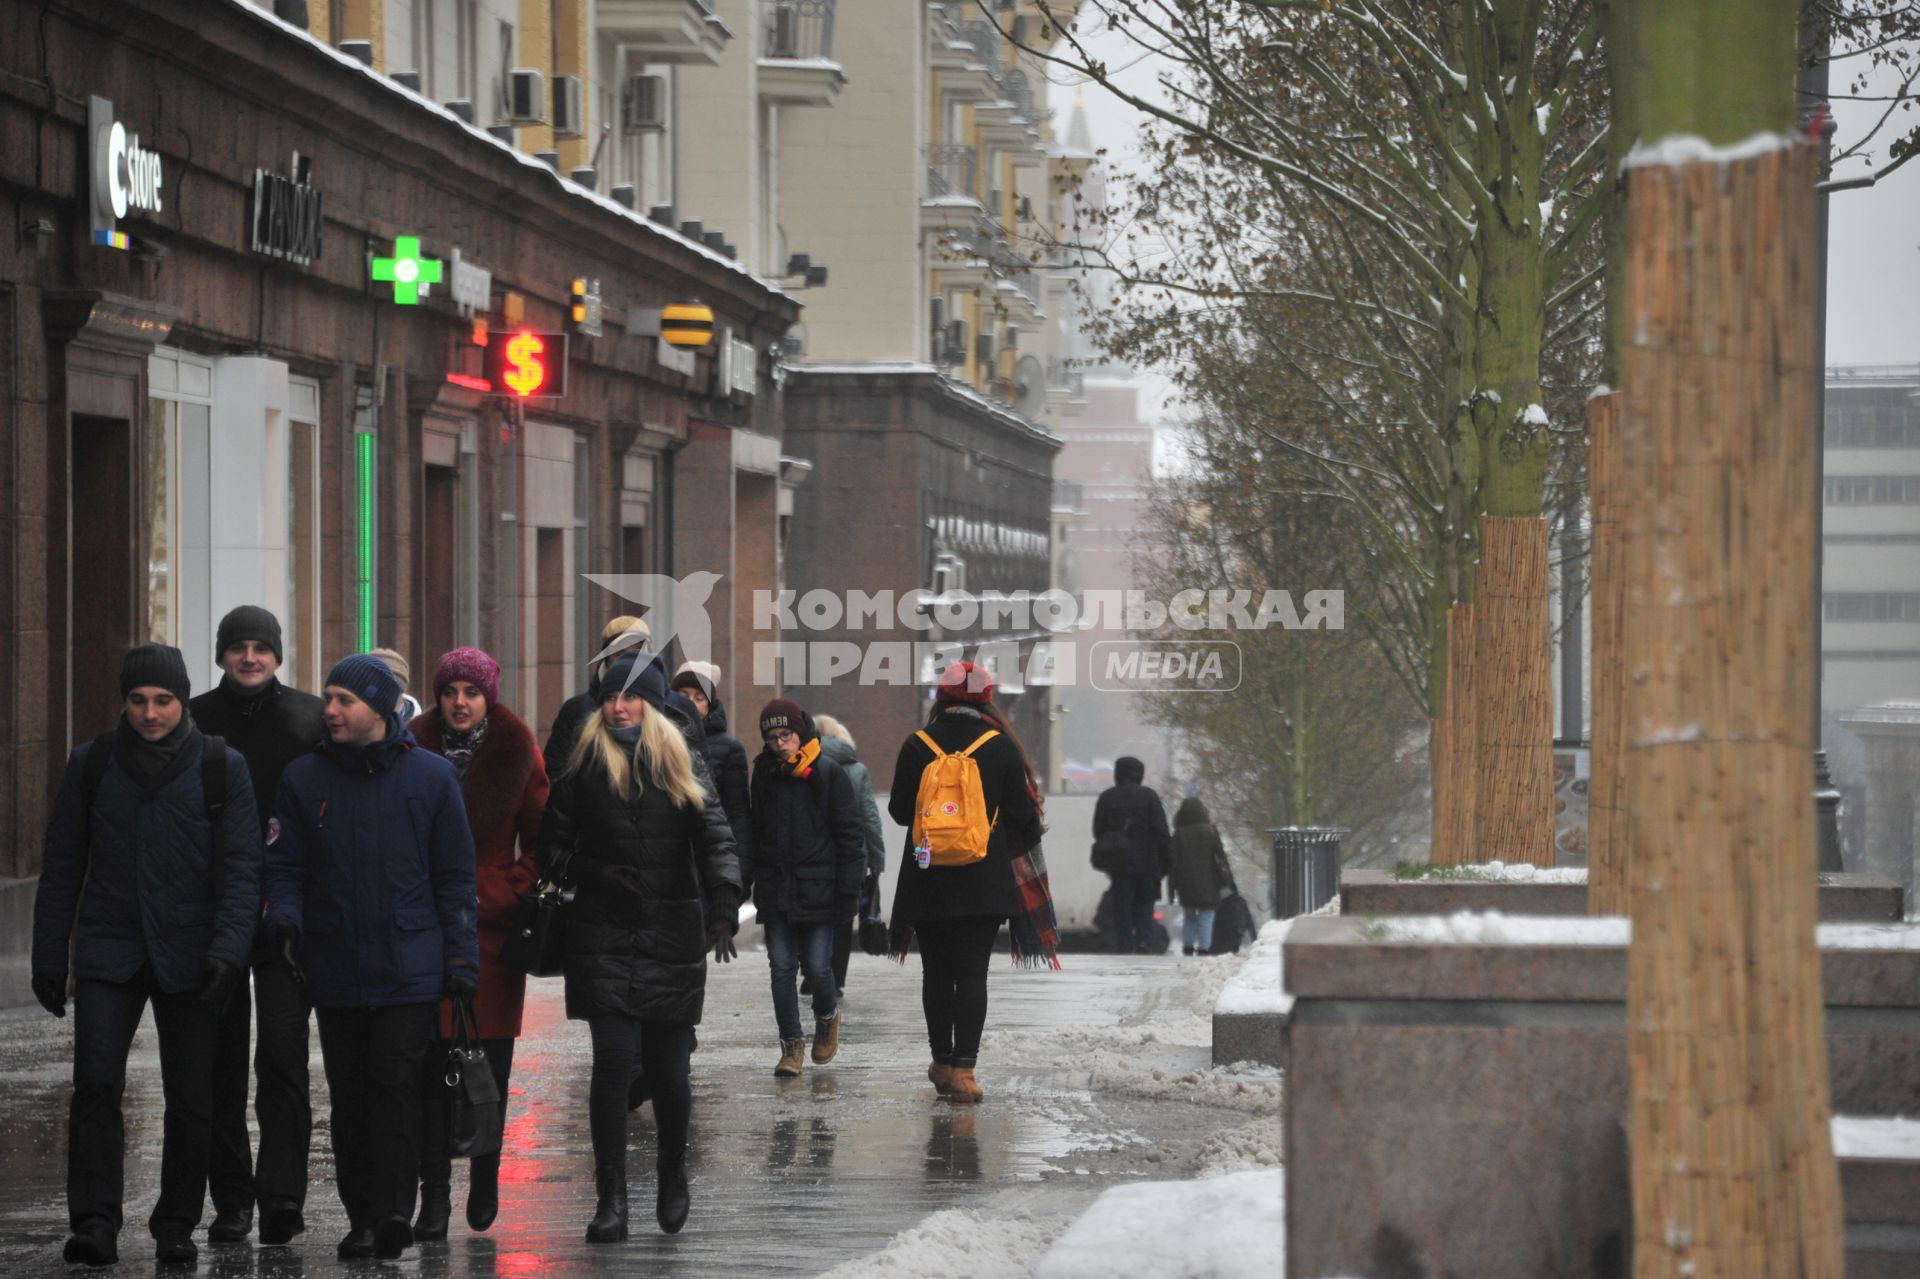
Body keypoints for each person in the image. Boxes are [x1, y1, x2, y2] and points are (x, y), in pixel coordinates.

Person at [31, 643, 262, 1268]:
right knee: (96, 1084)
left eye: (163, 700)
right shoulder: (93, 764)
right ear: (124, 702)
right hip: (111, 947)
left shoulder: (221, 766)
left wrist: (227, 951)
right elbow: (61, 866)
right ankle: (96, 1222)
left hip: (193, 953)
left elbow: (244, 870)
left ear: (183, 700)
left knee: (192, 1094)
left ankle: (176, 1223)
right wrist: (50, 954)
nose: (151, 713)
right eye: (138, 701)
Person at [263, 654, 479, 1262]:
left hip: (408, 966)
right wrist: (283, 920)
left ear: (379, 710)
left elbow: (456, 879)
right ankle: (362, 1217)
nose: (329, 710)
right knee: (350, 1097)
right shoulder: (303, 779)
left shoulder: (432, 779)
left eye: (343, 701)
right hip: (332, 966)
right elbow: (284, 868)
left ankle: (392, 1213)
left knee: (395, 1088)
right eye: (328, 698)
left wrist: (461, 963)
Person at [537, 649, 741, 1242]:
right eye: (608, 697)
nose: (617, 706)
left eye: (629, 696)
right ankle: (611, 1199)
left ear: (651, 704)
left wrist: (725, 903)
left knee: (669, 1072)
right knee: (610, 1069)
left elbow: (717, 837)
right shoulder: (583, 766)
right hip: (601, 934)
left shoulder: (683, 761)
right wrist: (592, 872)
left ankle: (673, 1174)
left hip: (672, 932)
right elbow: (550, 849)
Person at [189, 605, 326, 1247]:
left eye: (260, 647)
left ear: (277, 654)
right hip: (211, 912)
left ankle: (280, 1199)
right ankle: (232, 1200)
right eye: (238, 646)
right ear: (221, 654)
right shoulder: (193, 720)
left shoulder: (308, 718)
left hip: (285, 913)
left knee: (282, 1057)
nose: (249, 657)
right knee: (219, 1062)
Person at [407, 648, 549, 1239]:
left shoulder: (518, 751)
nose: (459, 703)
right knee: (428, 1071)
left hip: (490, 933)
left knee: (488, 1068)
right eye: (449, 692)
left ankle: (486, 1176)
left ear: (489, 695)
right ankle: (434, 1198)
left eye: (471, 691)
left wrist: (504, 888)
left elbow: (545, 840)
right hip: (423, 931)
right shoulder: (411, 747)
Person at [887, 661, 1045, 1104]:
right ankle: (965, 1070)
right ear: (987, 699)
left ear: (940, 698)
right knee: (973, 973)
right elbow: (1022, 816)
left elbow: (900, 812)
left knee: (936, 971)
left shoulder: (917, 745)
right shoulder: (999, 746)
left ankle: (940, 1060)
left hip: (927, 877)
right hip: (984, 882)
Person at [750, 698, 865, 1077]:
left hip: (820, 889)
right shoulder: (763, 775)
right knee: (781, 968)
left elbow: (850, 837)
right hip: (777, 888)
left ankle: (828, 1016)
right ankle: (791, 1046)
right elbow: (757, 833)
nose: (780, 743)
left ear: (801, 734)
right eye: (772, 737)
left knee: (817, 967)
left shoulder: (829, 774)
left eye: (787, 735)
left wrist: (848, 894)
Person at [811, 713, 886, 995]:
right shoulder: (857, 771)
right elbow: (870, 819)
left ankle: (812, 973)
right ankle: (836, 979)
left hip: (812, 858)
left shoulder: (801, 765)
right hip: (851, 858)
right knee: (843, 920)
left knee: (813, 916)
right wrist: (877, 861)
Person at [544, 616, 650, 781]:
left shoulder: (671, 708)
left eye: (636, 652)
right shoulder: (576, 710)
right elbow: (553, 774)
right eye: (620, 653)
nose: (628, 661)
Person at [669, 661, 752, 869]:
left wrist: (740, 869)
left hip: (709, 860)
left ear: (710, 704)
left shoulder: (730, 748)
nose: (691, 703)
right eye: (684, 695)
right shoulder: (656, 739)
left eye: (700, 697)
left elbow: (738, 814)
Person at [1092, 756, 1173, 954]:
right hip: (1148, 864)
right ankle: (1144, 940)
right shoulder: (1149, 796)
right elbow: (1162, 831)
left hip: (1119, 864)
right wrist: (1167, 860)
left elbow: (1098, 830)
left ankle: (1125, 944)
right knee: (1145, 904)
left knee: (1122, 906)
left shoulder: (1107, 797)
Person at [1170, 797, 1232, 956]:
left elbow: (1173, 862)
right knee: (1207, 915)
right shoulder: (1211, 831)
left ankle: (1188, 946)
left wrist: (1173, 885)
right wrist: (1227, 879)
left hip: (1186, 881)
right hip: (1209, 881)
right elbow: (1220, 856)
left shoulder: (1179, 834)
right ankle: (1204, 948)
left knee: (1189, 916)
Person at [366, 647, 424, 723]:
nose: (383, 697)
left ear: (401, 697)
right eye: (375, 689)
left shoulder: (418, 730)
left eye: (390, 689)